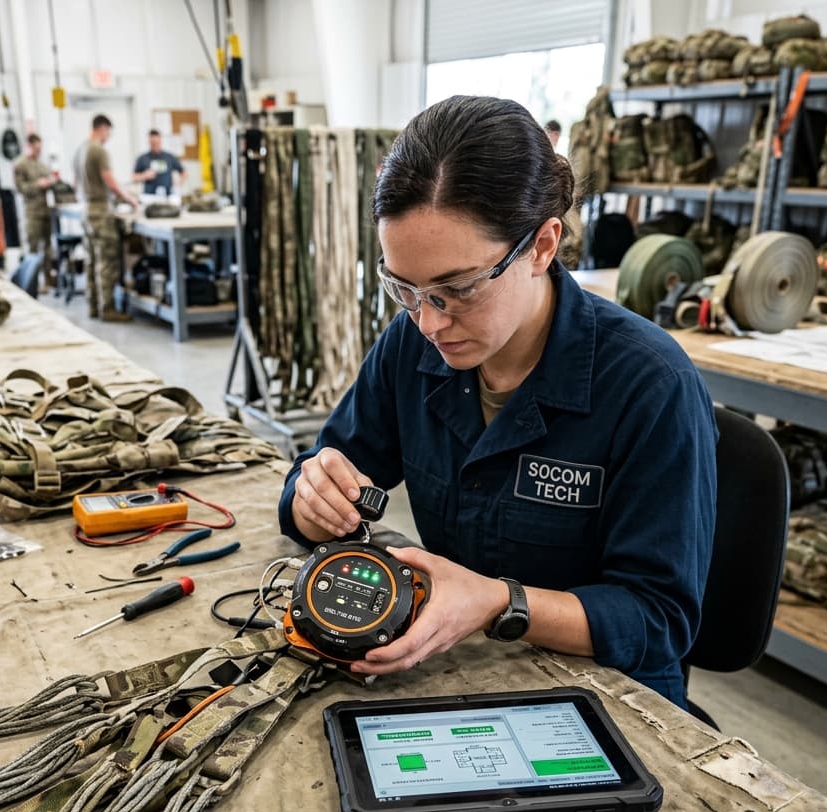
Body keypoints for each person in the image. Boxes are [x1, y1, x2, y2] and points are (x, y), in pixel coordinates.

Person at [278, 95, 718, 709]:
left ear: (541, 246)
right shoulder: (412, 344)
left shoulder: (650, 384)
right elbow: (328, 468)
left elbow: (657, 618)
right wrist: (312, 499)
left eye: (457, 290)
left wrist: (496, 601)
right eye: (404, 288)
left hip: (614, 697)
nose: (429, 321)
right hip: (463, 666)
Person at [82, 114, 140, 322]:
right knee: (107, 261)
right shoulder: (98, 150)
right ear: (102, 128)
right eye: (108, 131)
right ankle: (107, 309)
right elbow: (110, 182)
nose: (108, 136)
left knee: (92, 261)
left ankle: (93, 305)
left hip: (87, 211)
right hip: (100, 212)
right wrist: (130, 199)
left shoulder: (81, 150)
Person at [14, 133, 55, 287]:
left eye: (40, 149)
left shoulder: (41, 165)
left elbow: (51, 178)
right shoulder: (20, 165)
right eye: (36, 149)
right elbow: (21, 188)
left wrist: (51, 181)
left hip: (45, 210)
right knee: (32, 248)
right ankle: (32, 282)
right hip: (32, 212)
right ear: (29, 146)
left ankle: (49, 280)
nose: (39, 152)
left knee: (48, 247)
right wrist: (38, 185)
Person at [132, 129, 187, 196]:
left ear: (160, 141)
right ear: (149, 141)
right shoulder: (143, 158)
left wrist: (178, 183)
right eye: (153, 143)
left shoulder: (169, 157)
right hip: (149, 195)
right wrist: (144, 175)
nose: (155, 145)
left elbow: (184, 172)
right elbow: (134, 177)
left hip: (168, 195)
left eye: (156, 143)